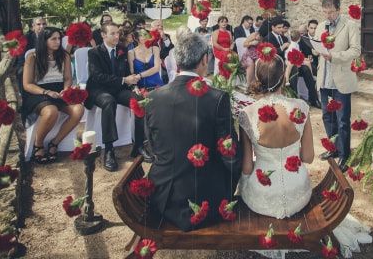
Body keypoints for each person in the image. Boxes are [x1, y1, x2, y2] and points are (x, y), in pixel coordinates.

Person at [144, 32, 242, 231]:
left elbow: (152, 146)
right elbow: (230, 155)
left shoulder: (153, 98)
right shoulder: (217, 98)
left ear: (177, 61)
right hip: (205, 200)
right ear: (204, 60)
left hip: (163, 197)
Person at [238, 55, 314, 218]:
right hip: (298, 190)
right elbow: (308, 157)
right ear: (283, 78)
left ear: (258, 78)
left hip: (263, 195)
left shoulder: (247, 114)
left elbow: (247, 168)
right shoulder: (301, 108)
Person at [86, 22, 145, 171]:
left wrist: (133, 86)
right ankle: (109, 150)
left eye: (117, 33)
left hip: (118, 89)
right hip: (99, 90)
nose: (117, 36)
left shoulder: (122, 50)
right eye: (112, 33)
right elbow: (97, 76)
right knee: (108, 102)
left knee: (139, 101)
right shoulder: (94, 52)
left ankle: (138, 145)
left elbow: (125, 73)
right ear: (103, 35)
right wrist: (124, 80)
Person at [22, 27, 84, 164]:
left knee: (78, 109)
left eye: (59, 39)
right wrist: (46, 92)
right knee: (51, 111)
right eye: (53, 39)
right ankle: (38, 145)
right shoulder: (32, 57)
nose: (58, 42)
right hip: (38, 92)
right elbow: (27, 84)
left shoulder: (64, 55)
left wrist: (65, 90)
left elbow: (68, 78)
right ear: (44, 41)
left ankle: (54, 143)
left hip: (59, 91)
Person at [316, 0, 361, 172]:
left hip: (341, 80)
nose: (328, 15)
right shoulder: (321, 26)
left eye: (331, 12)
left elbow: (356, 51)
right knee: (327, 117)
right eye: (325, 12)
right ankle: (333, 149)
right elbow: (316, 46)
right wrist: (315, 47)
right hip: (324, 79)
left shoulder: (350, 25)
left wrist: (334, 56)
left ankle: (344, 155)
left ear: (339, 9)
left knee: (342, 119)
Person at [286, 29, 320, 108]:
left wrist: (304, 59)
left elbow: (299, 56)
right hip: (291, 63)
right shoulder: (294, 46)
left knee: (306, 68)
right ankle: (294, 100)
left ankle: (313, 99)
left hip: (296, 62)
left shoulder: (296, 44)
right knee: (297, 69)